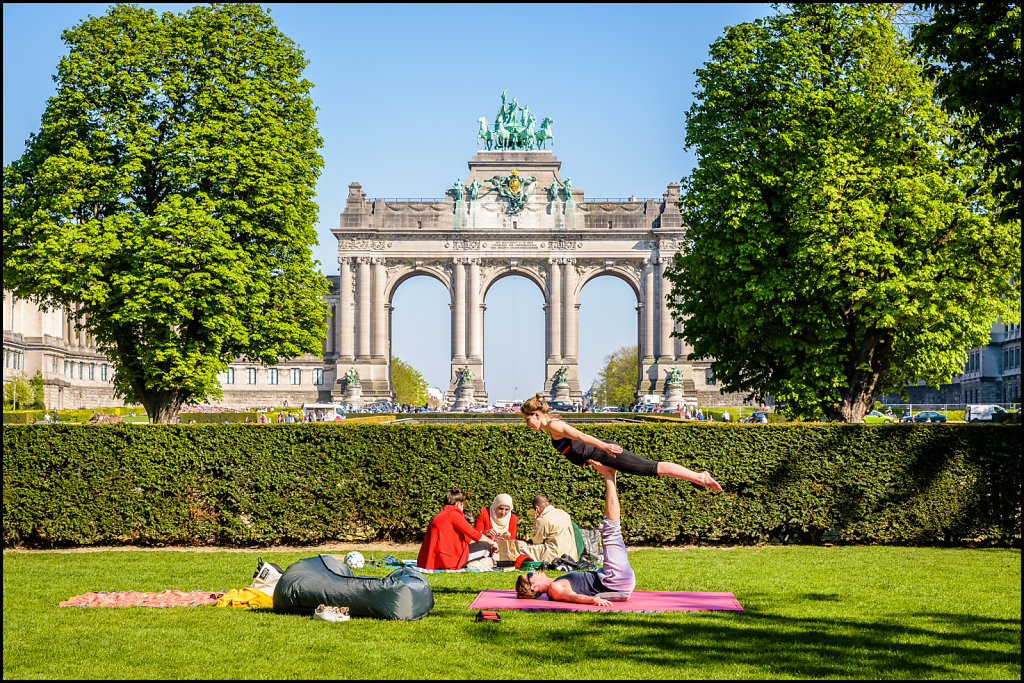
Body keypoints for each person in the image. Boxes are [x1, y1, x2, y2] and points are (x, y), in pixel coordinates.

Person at [520, 393, 722, 489]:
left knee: (652, 468)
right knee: (650, 469)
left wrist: (605, 447)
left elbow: (582, 437)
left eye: (528, 420)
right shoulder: (550, 427)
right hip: (600, 456)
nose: (527, 424)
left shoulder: (555, 426)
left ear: (537, 414)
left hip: (602, 452)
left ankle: (700, 477)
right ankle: (696, 480)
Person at [516, 461, 634, 606]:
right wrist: (594, 600)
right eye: (529, 575)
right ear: (533, 587)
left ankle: (611, 474)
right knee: (610, 530)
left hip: (612, 578)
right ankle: (609, 476)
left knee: (609, 529)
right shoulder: (554, 588)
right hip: (614, 581)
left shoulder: (556, 582)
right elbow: (573, 597)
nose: (533, 571)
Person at [417, 487, 498, 570]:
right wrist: (492, 543)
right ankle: (477, 563)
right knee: (486, 547)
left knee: (482, 545)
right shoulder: (453, 514)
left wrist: (484, 534)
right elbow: (473, 534)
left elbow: (468, 538)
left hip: (432, 560)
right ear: (459, 504)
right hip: (447, 560)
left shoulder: (442, 514)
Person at [519, 494, 577, 563]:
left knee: (523, 549)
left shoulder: (543, 519)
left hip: (554, 556)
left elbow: (536, 541)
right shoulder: (564, 513)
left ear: (537, 508)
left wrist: (535, 523)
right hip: (571, 555)